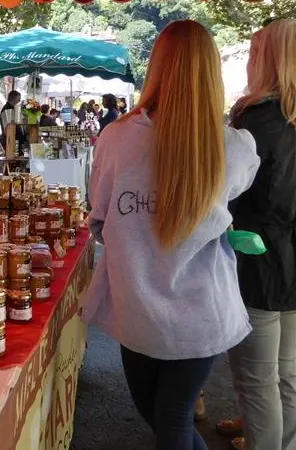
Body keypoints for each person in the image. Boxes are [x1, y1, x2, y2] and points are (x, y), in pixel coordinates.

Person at [81, 20, 260, 450]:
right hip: (200, 310)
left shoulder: (117, 138)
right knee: (168, 417)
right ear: (211, 74)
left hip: (137, 305)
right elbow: (236, 193)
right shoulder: (234, 147)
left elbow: (100, 217)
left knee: (168, 417)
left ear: (156, 67)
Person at [225, 19, 296, 450]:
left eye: (253, 53)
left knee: (256, 377)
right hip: (289, 255)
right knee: (287, 370)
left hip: (259, 256)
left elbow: (225, 192)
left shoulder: (254, 121)